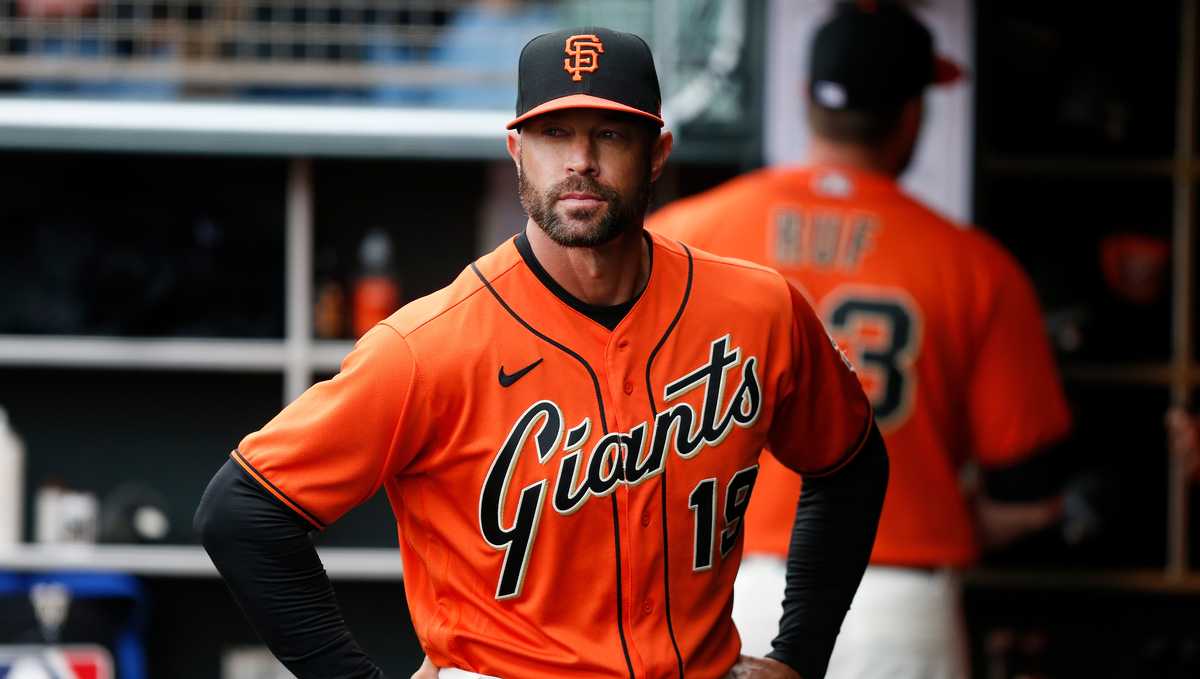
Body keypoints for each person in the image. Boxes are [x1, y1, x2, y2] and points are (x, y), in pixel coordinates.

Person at [196, 26, 888, 679]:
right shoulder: (428, 345)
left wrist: (801, 651)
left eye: (609, 134)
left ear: (657, 153)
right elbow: (242, 511)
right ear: (516, 151)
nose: (579, 161)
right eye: (554, 133)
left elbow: (851, 463)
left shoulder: (759, 308)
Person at [648, 3, 1072, 678]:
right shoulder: (973, 263)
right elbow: (1029, 496)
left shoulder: (682, 237)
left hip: (723, 591)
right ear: (911, 116)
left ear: (805, 99)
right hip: (898, 602)